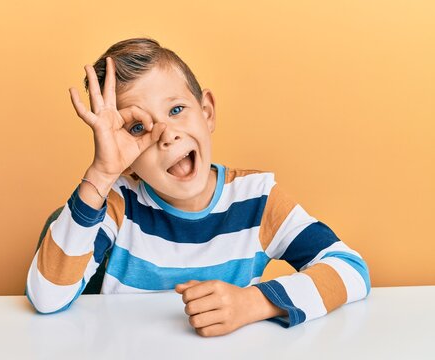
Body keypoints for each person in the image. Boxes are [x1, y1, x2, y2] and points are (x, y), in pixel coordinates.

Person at [25, 37, 370, 337]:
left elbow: (350, 269)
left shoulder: (258, 199)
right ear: (126, 159)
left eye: (176, 109)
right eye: (137, 129)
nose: (166, 133)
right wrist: (101, 173)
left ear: (207, 113)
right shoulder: (118, 203)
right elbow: (46, 298)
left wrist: (253, 302)